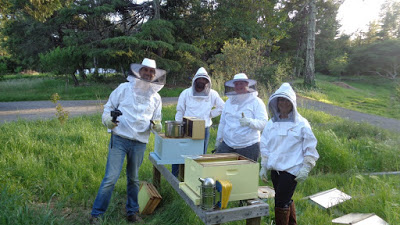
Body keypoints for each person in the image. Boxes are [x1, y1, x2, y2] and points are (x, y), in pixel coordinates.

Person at [90, 58, 166, 223]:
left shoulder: (156, 98)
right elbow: (108, 108)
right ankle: (96, 214)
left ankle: (132, 213)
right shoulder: (123, 88)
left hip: (139, 143)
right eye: (145, 70)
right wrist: (108, 121)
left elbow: (156, 119)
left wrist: (157, 126)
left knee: (133, 179)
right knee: (111, 178)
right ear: (139, 72)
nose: (148, 73)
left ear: (154, 75)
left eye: (151, 71)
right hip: (119, 139)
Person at [259, 83, 319, 225]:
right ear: (276, 102)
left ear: (292, 103)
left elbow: (310, 147)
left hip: (292, 170)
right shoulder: (271, 123)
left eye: (287, 100)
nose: (283, 103)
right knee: (285, 199)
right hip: (275, 169)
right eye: (281, 100)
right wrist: (264, 165)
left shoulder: (301, 124)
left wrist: (306, 167)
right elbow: (265, 145)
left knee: (280, 202)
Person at [172, 67, 225, 177]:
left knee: (199, 156)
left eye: (203, 80)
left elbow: (222, 107)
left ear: (207, 81)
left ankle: (195, 177)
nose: (201, 82)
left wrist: (210, 114)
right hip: (185, 127)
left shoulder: (213, 94)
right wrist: (178, 126)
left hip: (203, 129)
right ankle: (175, 177)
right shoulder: (186, 93)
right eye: (199, 80)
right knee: (179, 152)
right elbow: (180, 110)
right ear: (195, 80)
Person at [215, 73, 268, 162]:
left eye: (241, 83)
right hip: (228, 144)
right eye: (236, 84)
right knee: (222, 171)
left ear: (247, 84)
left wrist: (250, 122)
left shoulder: (257, 102)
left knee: (244, 174)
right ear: (234, 86)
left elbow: (264, 123)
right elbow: (223, 122)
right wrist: (218, 139)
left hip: (248, 146)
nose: (239, 86)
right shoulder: (229, 102)